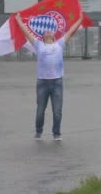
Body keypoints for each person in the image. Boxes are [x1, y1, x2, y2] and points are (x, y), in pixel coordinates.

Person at [15, 11, 84, 141]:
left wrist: (80, 19)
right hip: (42, 83)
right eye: (45, 32)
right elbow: (26, 32)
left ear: (53, 35)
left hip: (57, 82)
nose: (48, 32)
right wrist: (19, 20)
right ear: (42, 36)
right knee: (40, 110)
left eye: (50, 31)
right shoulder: (38, 45)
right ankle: (38, 131)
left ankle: (56, 133)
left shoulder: (59, 43)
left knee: (57, 111)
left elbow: (71, 31)